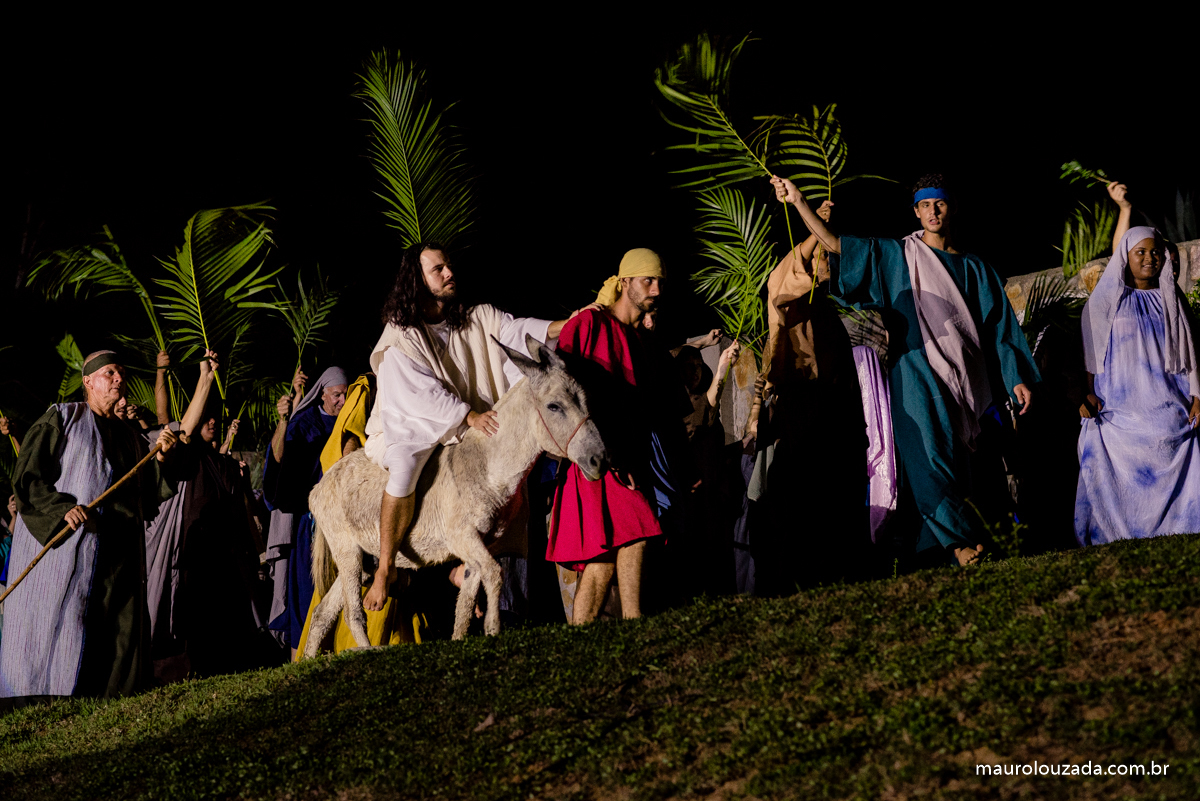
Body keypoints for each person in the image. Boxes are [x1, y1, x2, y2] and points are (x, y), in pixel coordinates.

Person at [772, 173, 1039, 567]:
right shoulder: (899, 256)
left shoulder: (978, 270)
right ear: (916, 212)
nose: (933, 211)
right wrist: (797, 202)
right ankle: (961, 545)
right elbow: (836, 244)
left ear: (952, 208)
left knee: (962, 467)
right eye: (925, 205)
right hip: (914, 372)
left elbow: (1000, 327)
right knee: (926, 458)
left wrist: (1016, 375)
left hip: (965, 380)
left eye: (940, 203)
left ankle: (943, 547)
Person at [361, 242, 583, 622]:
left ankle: (486, 580)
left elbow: (515, 331)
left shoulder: (477, 317)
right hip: (411, 425)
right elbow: (417, 391)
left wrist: (564, 325)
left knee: (511, 473)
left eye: (449, 266)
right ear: (416, 280)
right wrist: (466, 417)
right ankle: (384, 568)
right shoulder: (402, 333)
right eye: (438, 270)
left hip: (472, 428)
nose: (449, 273)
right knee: (404, 466)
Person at [0, 351, 178, 704]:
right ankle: (54, 695)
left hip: (120, 547)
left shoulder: (128, 436)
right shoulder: (62, 418)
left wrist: (158, 457)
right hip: (75, 547)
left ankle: (119, 698)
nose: (118, 378)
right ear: (88, 381)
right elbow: (28, 477)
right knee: (71, 621)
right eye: (109, 372)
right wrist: (61, 510)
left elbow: (145, 489)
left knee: (122, 627)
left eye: (121, 373)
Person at [547, 248, 691, 622]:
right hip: (597, 456)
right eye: (648, 280)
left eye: (660, 281)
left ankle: (588, 634)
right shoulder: (587, 324)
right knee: (639, 528)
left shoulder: (640, 340)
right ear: (625, 282)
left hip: (631, 455)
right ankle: (634, 620)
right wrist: (606, 452)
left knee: (605, 558)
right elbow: (560, 390)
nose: (656, 289)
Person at [1074, 216, 1200, 545]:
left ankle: (1180, 524)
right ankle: (1119, 530)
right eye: (1140, 251)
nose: (1149, 258)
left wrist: (1197, 395)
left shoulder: (1172, 301)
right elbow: (1090, 355)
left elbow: (1190, 355)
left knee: (1174, 433)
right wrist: (1086, 394)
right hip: (1119, 406)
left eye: (1156, 252)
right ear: (1125, 256)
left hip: (1168, 400)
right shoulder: (1102, 304)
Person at [263, 365, 348, 654]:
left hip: (345, 522)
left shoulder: (350, 422)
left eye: (346, 395)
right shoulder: (304, 423)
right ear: (323, 395)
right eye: (337, 395)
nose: (342, 401)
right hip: (310, 525)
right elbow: (277, 462)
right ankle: (302, 651)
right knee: (307, 589)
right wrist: (284, 420)